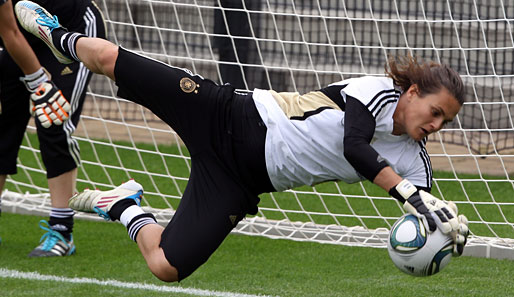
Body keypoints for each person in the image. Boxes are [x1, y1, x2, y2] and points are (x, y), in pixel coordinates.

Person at [16, 0, 469, 281]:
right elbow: (356, 147)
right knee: (107, 56)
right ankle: (55, 34)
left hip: (240, 179)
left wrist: (445, 230)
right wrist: (408, 194)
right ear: (412, 93)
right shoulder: (376, 91)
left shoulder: (415, 166)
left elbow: (423, 202)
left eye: (445, 121)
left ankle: (123, 205)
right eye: (435, 112)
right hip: (227, 114)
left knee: (166, 267)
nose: (436, 125)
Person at [0, 0, 105, 257]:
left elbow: (11, 31)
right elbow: (10, 32)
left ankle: (61, 230)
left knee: (54, 119)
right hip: (15, 35)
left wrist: (40, 86)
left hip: (66, 29)